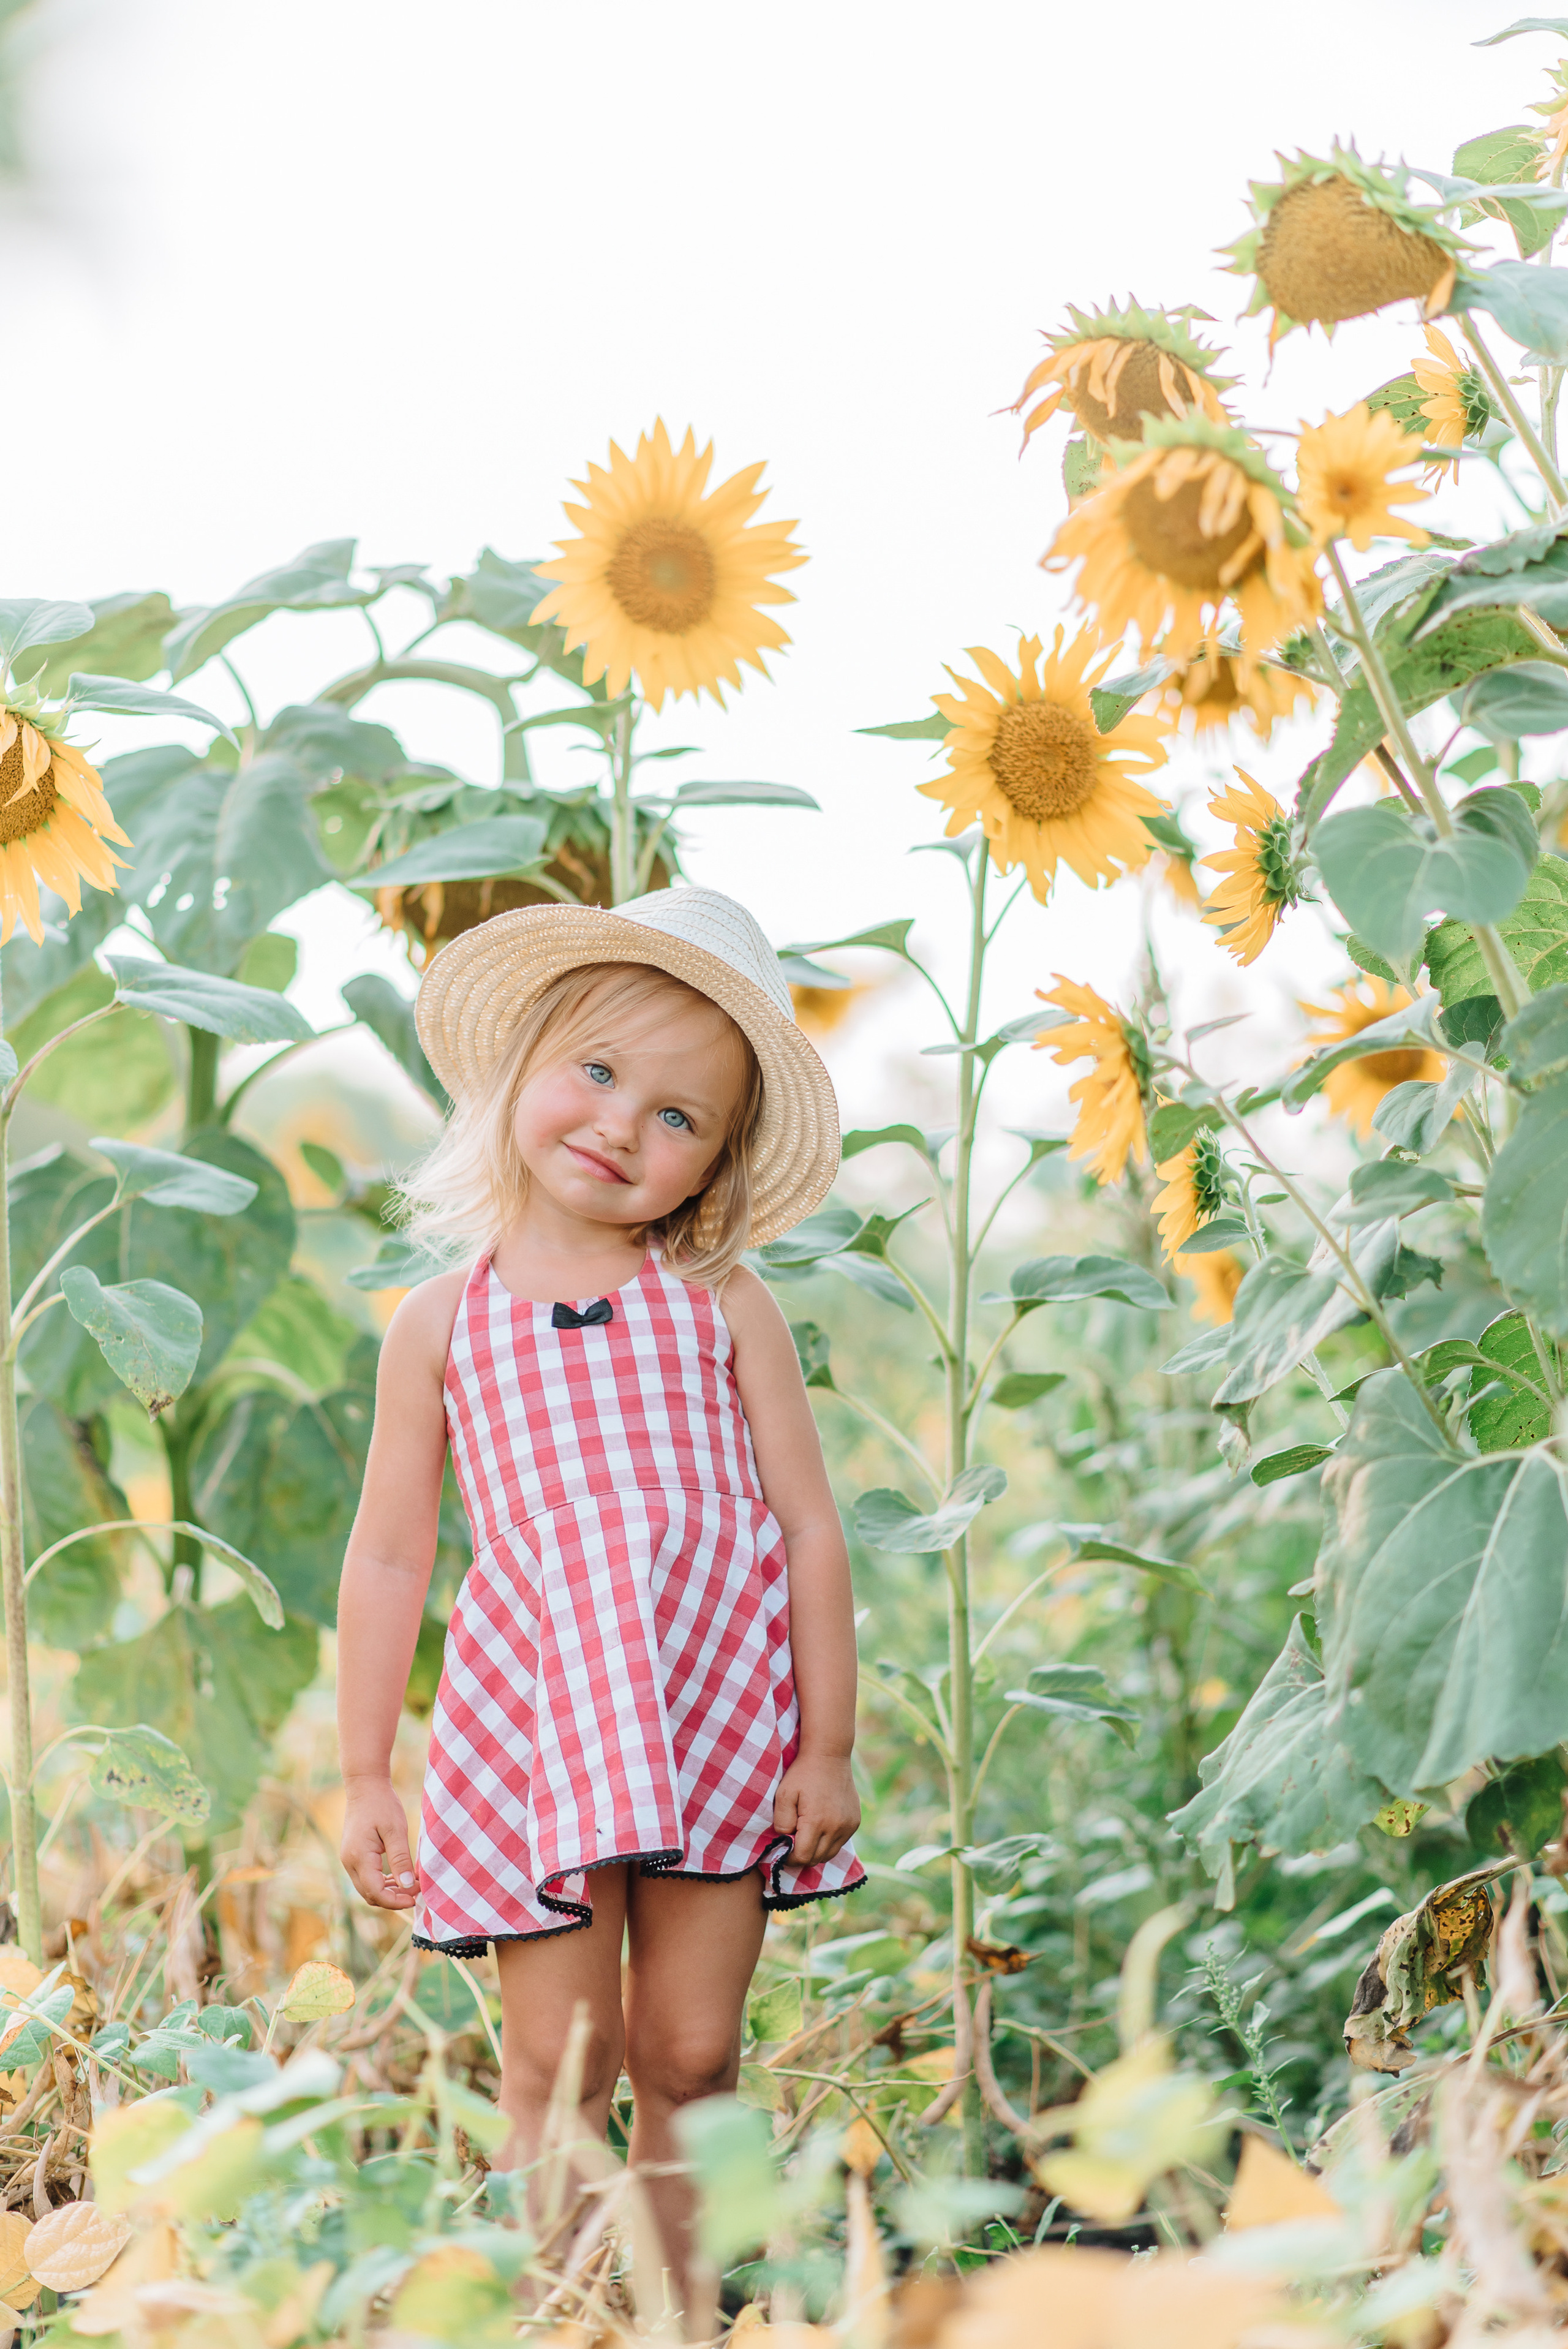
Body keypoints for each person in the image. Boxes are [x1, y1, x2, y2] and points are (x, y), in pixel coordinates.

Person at [335, 884, 864, 2301]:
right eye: (598, 1072)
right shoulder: (443, 1322)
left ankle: (695, 2309)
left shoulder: (722, 1305)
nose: (625, 1124)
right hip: (540, 1731)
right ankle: (567, 2311)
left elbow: (809, 1529)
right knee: (551, 2066)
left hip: (714, 1723)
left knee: (691, 2051)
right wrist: (365, 1768)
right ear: (522, 1069)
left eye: (679, 1117)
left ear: (712, 1171)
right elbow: (390, 1555)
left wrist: (824, 1743)